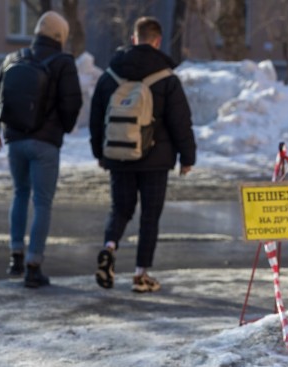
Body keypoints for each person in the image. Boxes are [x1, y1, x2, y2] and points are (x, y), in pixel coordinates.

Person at [89, 16, 196, 293]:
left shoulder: (111, 74)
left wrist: (99, 152)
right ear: (157, 41)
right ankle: (141, 275)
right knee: (150, 215)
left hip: (118, 154)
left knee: (120, 209)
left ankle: (109, 247)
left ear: (134, 38)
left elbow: (96, 115)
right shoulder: (166, 78)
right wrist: (187, 157)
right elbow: (180, 121)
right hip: (155, 160)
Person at [0, 11, 83, 288]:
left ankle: (15, 255)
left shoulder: (15, 57)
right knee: (42, 202)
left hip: (15, 140)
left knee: (19, 194)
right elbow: (72, 103)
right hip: (45, 144)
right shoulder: (63, 62)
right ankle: (33, 266)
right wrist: (61, 127)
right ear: (60, 36)